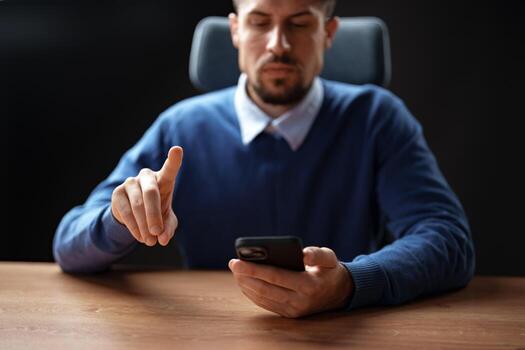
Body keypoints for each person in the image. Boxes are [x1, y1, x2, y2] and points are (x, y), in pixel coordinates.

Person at [53, 0, 475, 318]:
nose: (278, 44)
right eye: (260, 23)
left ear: (329, 33)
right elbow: (69, 244)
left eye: (299, 23)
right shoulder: (181, 126)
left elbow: (447, 239)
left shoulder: (376, 118)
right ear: (235, 31)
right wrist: (120, 218)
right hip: (212, 331)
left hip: (345, 330)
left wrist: (349, 283)